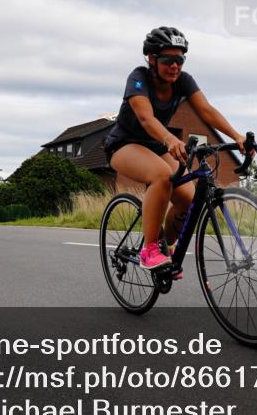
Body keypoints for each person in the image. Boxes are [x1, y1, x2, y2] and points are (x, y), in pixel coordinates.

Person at [103, 27, 246, 275]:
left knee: (189, 201)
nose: (175, 66)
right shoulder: (138, 78)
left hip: (157, 146)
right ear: (151, 59)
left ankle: (164, 250)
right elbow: (146, 118)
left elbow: (206, 111)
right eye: (168, 60)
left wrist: (237, 136)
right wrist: (170, 139)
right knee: (161, 174)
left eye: (180, 59)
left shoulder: (184, 81)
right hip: (124, 144)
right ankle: (149, 249)